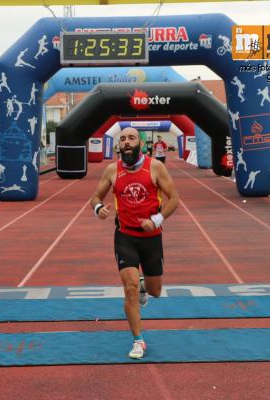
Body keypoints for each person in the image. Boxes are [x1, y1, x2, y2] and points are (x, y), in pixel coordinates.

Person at [90, 127, 179, 359]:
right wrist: (98, 209)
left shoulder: (155, 167)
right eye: (122, 139)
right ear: (118, 145)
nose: (126, 142)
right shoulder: (112, 170)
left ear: (140, 142)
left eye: (131, 138)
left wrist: (156, 219)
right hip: (125, 237)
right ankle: (138, 340)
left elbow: (174, 199)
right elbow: (95, 197)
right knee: (128, 287)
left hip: (151, 238)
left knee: (155, 291)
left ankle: (143, 285)